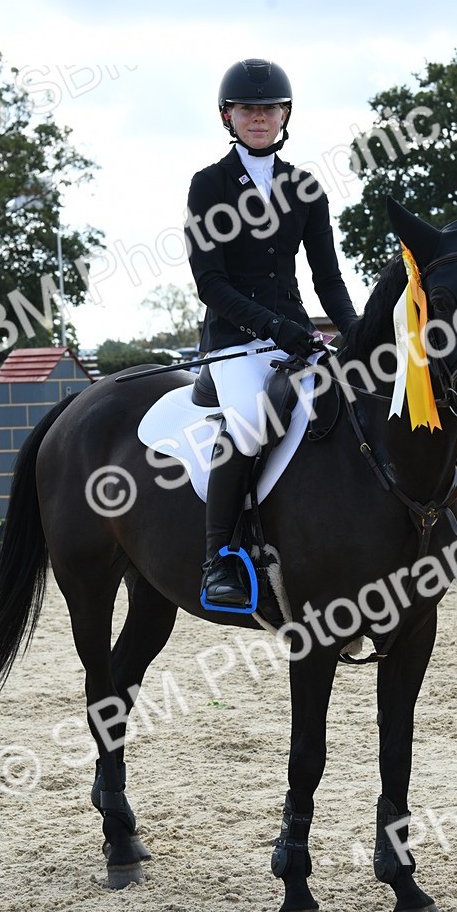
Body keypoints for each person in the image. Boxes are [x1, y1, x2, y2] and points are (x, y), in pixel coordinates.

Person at [185, 58, 358, 609]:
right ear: (227, 117)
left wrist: (356, 333)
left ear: (284, 116)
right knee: (250, 423)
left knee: (351, 410)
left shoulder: (305, 189)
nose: (259, 118)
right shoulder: (208, 185)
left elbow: (328, 279)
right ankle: (220, 560)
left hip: (297, 337)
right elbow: (210, 282)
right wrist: (276, 328)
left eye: (269, 109)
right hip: (235, 343)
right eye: (247, 109)